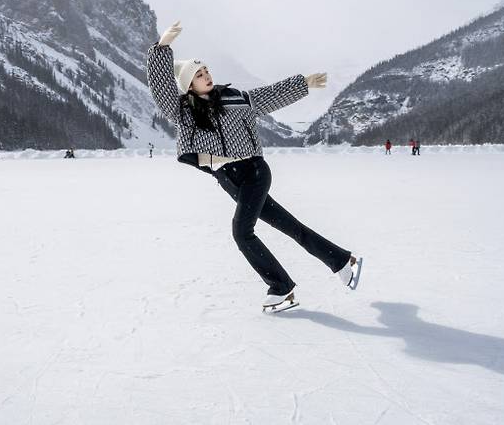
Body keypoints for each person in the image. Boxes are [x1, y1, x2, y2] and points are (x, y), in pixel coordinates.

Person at [147, 21, 362, 311]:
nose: (206, 75)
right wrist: (162, 47)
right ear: (188, 84)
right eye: (198, 74)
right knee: (290, 226)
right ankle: (341, 261)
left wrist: (304, 83)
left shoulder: (238, 99)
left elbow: (270, 95)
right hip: (227, 178)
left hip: (253, 172)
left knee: (241, 232)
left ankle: (281, 287)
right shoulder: (182, 111)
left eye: (206, 70)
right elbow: (161, 89)